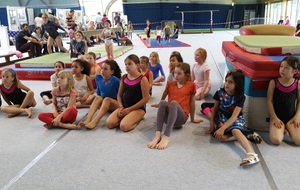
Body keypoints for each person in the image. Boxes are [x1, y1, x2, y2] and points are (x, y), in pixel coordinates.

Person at [206, 69, 261, 166]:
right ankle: (246, 135)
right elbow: (215, 108)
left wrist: (222, 128)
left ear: (237, 84)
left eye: (230, 82)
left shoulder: (240, 97)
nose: (226, 84)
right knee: (220, 137)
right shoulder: (220, 92)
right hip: (222, 117)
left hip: (235, 119)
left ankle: (251, 154)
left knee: (235, 131)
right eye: (226, 80)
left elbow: (234, 116)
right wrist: (211, 125)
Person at [147, 62, 202, 149]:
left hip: (181, 117)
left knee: (174, 103)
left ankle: (166, 136)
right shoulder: (170, 84)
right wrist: (160, 105)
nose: (176, 75)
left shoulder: (191, 85)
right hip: (169, 117)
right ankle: (157, 135)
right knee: (163, 102)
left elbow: (192, 103)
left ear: (187, 75)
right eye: (175, 73)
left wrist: (192, 119)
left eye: (179, 73)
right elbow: (164, 95)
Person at [105, 54, 150, 132]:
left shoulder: (143, 79)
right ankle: (128, 117)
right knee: (109, 123)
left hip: (138, 109)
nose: (127, 66)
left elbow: (145, 99)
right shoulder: (124, 77)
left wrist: (130, 109)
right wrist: (120, 107)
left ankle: (138, 118)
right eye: (126, 64)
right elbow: (119, 95)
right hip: (125, 107)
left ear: (137, 65)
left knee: (124, 126)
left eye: (130, 64)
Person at [267, 56, 300, 145]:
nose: (282, 69)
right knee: (276, 140)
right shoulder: (274, 82)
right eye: (281, 67)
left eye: (286, 68)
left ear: (295, 71)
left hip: (291, 118)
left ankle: (287, 128)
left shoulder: (298, 83)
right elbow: (269, 101)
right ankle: (283, 129)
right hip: (277, 117)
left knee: (299, 141)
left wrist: (297, 116)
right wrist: (274, 117)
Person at [80, 60, 122, 129]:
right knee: (97, 97)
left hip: (115, 104)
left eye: (105, 69)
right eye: (102, 68)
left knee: (107, 99)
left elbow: (120, 95)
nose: (102, 70)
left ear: (111, 72)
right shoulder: (98, 77)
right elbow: (99, 93)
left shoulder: (116, 81)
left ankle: (95, 121)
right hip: (104, 104)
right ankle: (88, 119)